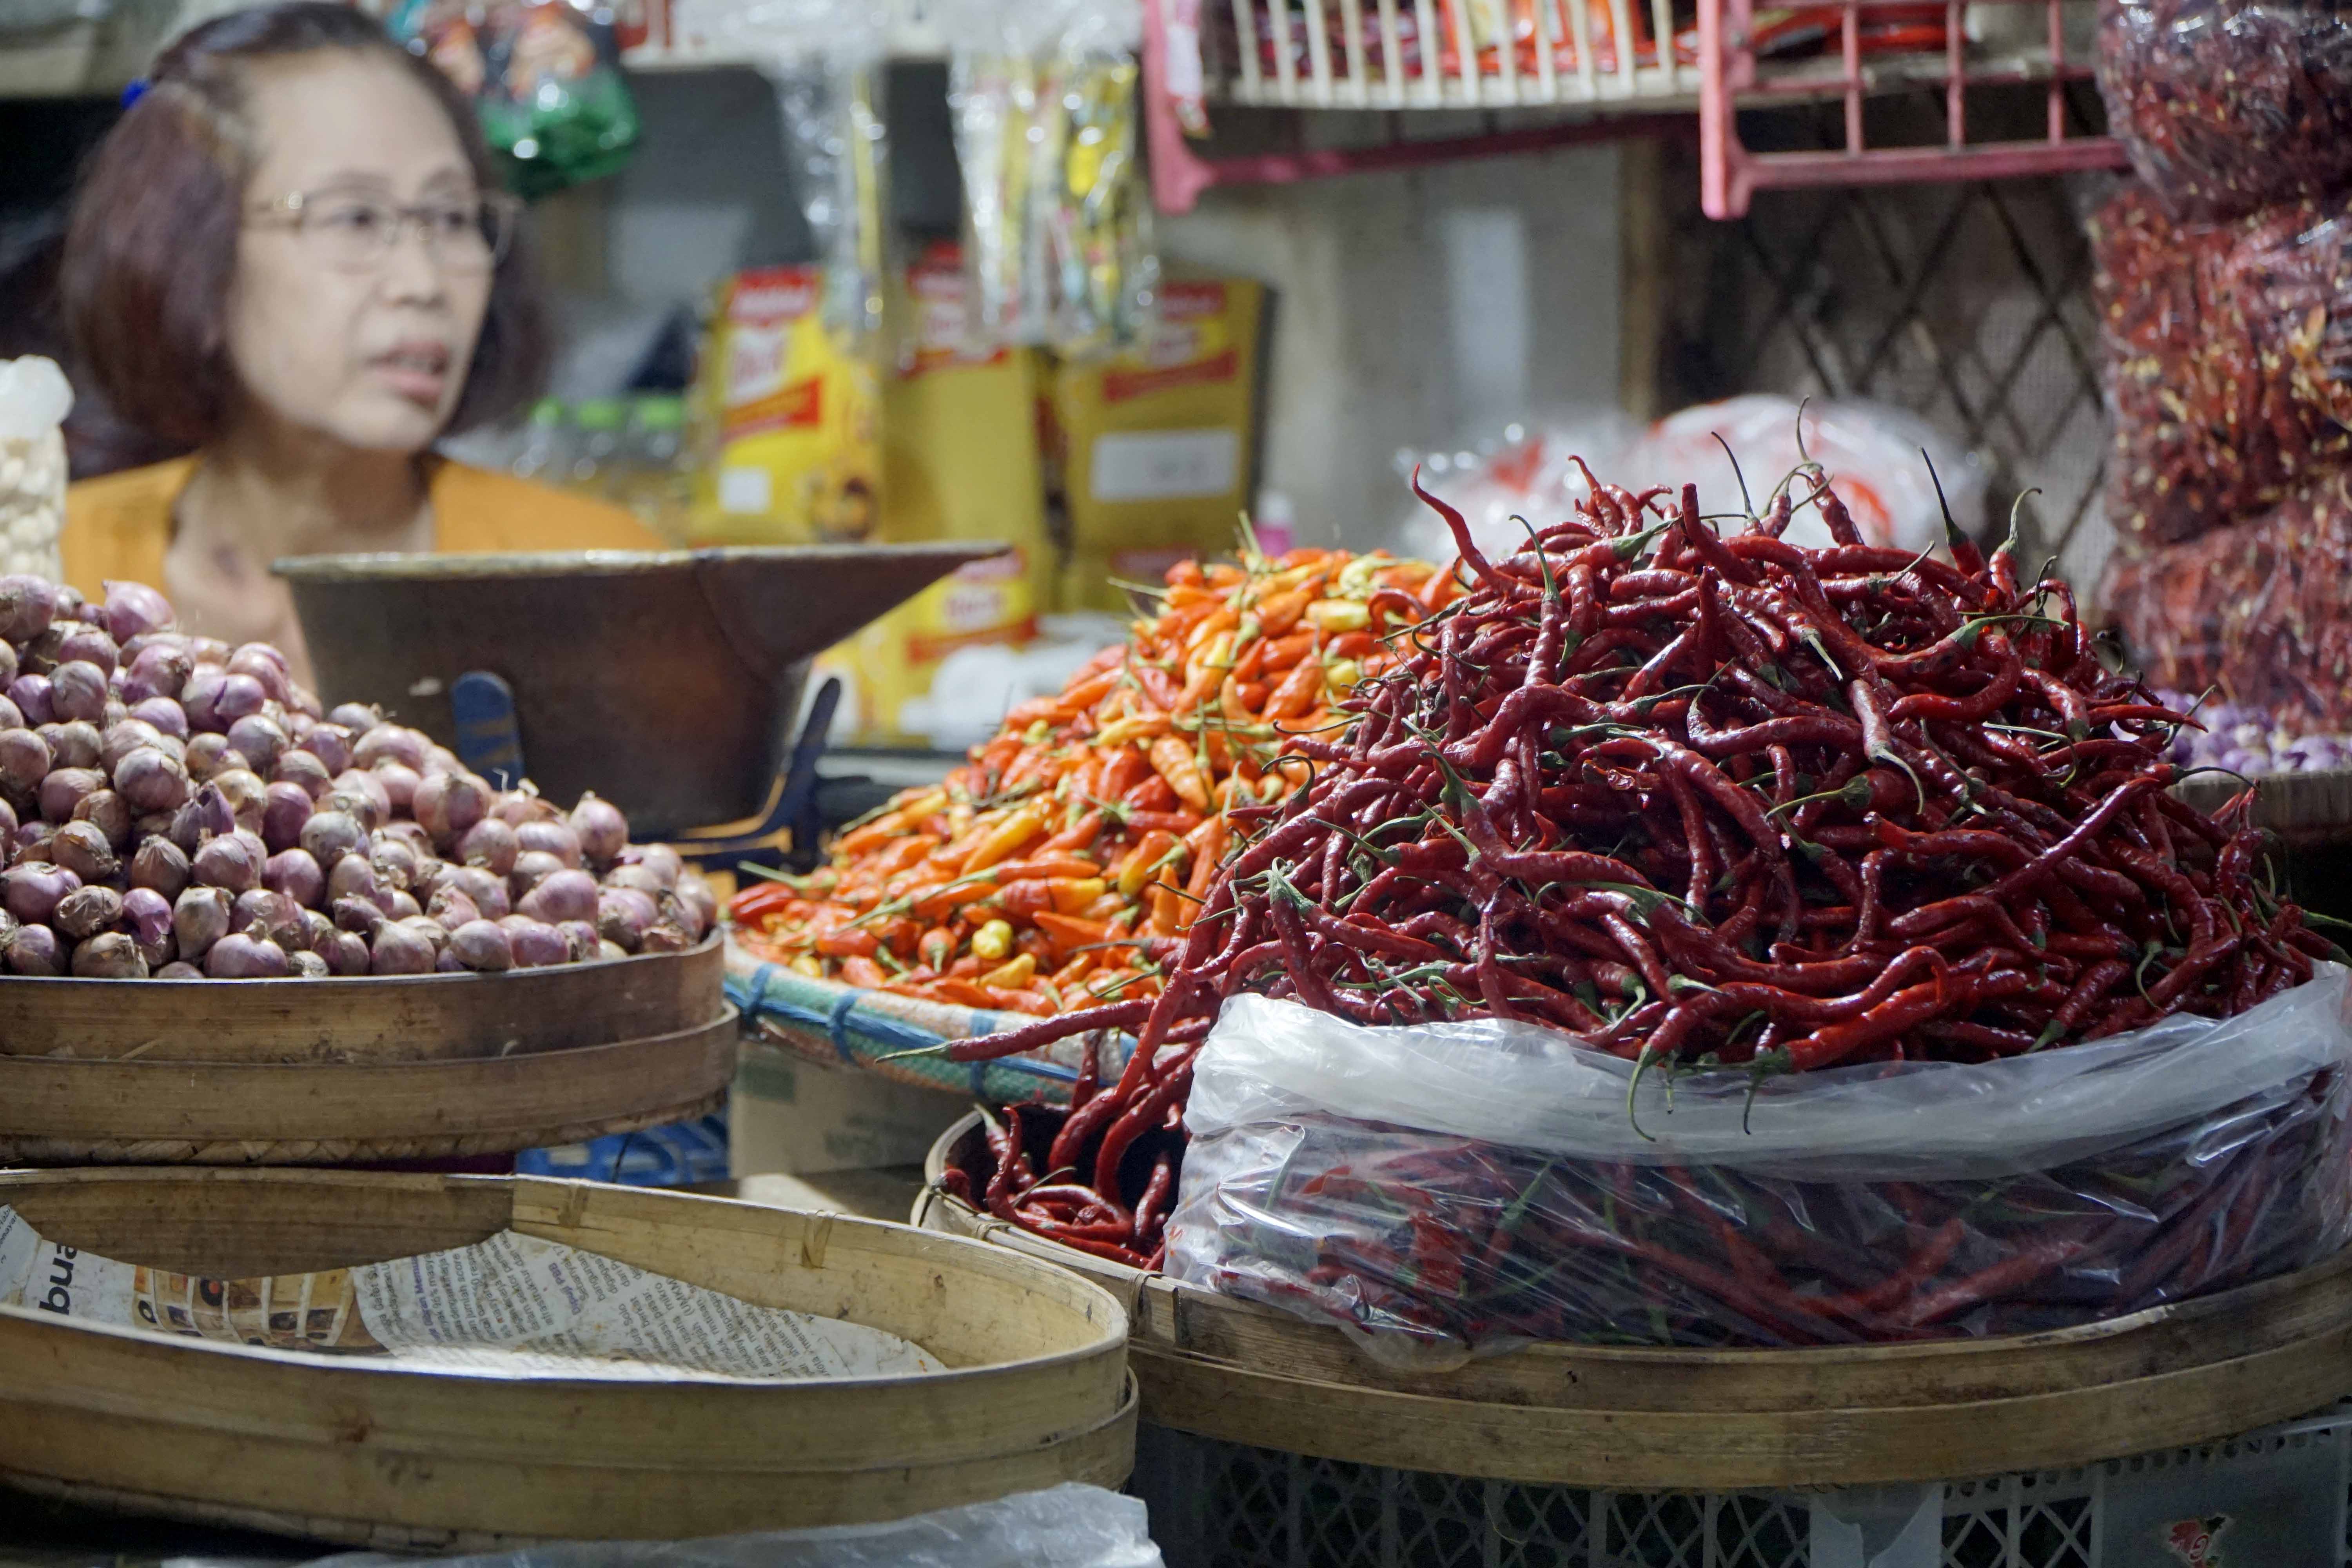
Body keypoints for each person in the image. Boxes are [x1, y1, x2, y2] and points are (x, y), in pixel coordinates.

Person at [58, 2, 657, 677]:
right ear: (188, 247)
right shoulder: (46, 571)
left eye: (451, 216)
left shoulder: (595, 580)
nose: (423, 281)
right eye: (355, 217)